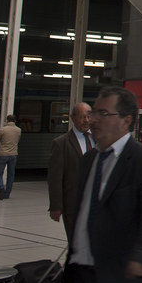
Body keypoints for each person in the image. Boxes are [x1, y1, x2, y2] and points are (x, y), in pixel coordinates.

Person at [61, 86, 142, 283]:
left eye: (103, 113)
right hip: (79, 276)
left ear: (126, 120)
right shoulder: (88, 160)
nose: (93, 119)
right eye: (93, 112)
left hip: (121, 278)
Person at [48, 103, 93, 241]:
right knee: (77, 243)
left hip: (97, 205)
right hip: (73, 205)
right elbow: (55, 178)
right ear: (72, 118)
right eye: (82, 117)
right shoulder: (61, 144)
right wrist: (56, 206)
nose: (86, 120)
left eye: (89, 116)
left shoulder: (100, 140)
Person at [0, 115, 22, 200]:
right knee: (11, 174)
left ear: (7, 120)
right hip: (13, 154)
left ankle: (0, 187)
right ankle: (7, 194)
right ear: (15, 121)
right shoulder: (18, 130)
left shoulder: (2, 130)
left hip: (2, 154)